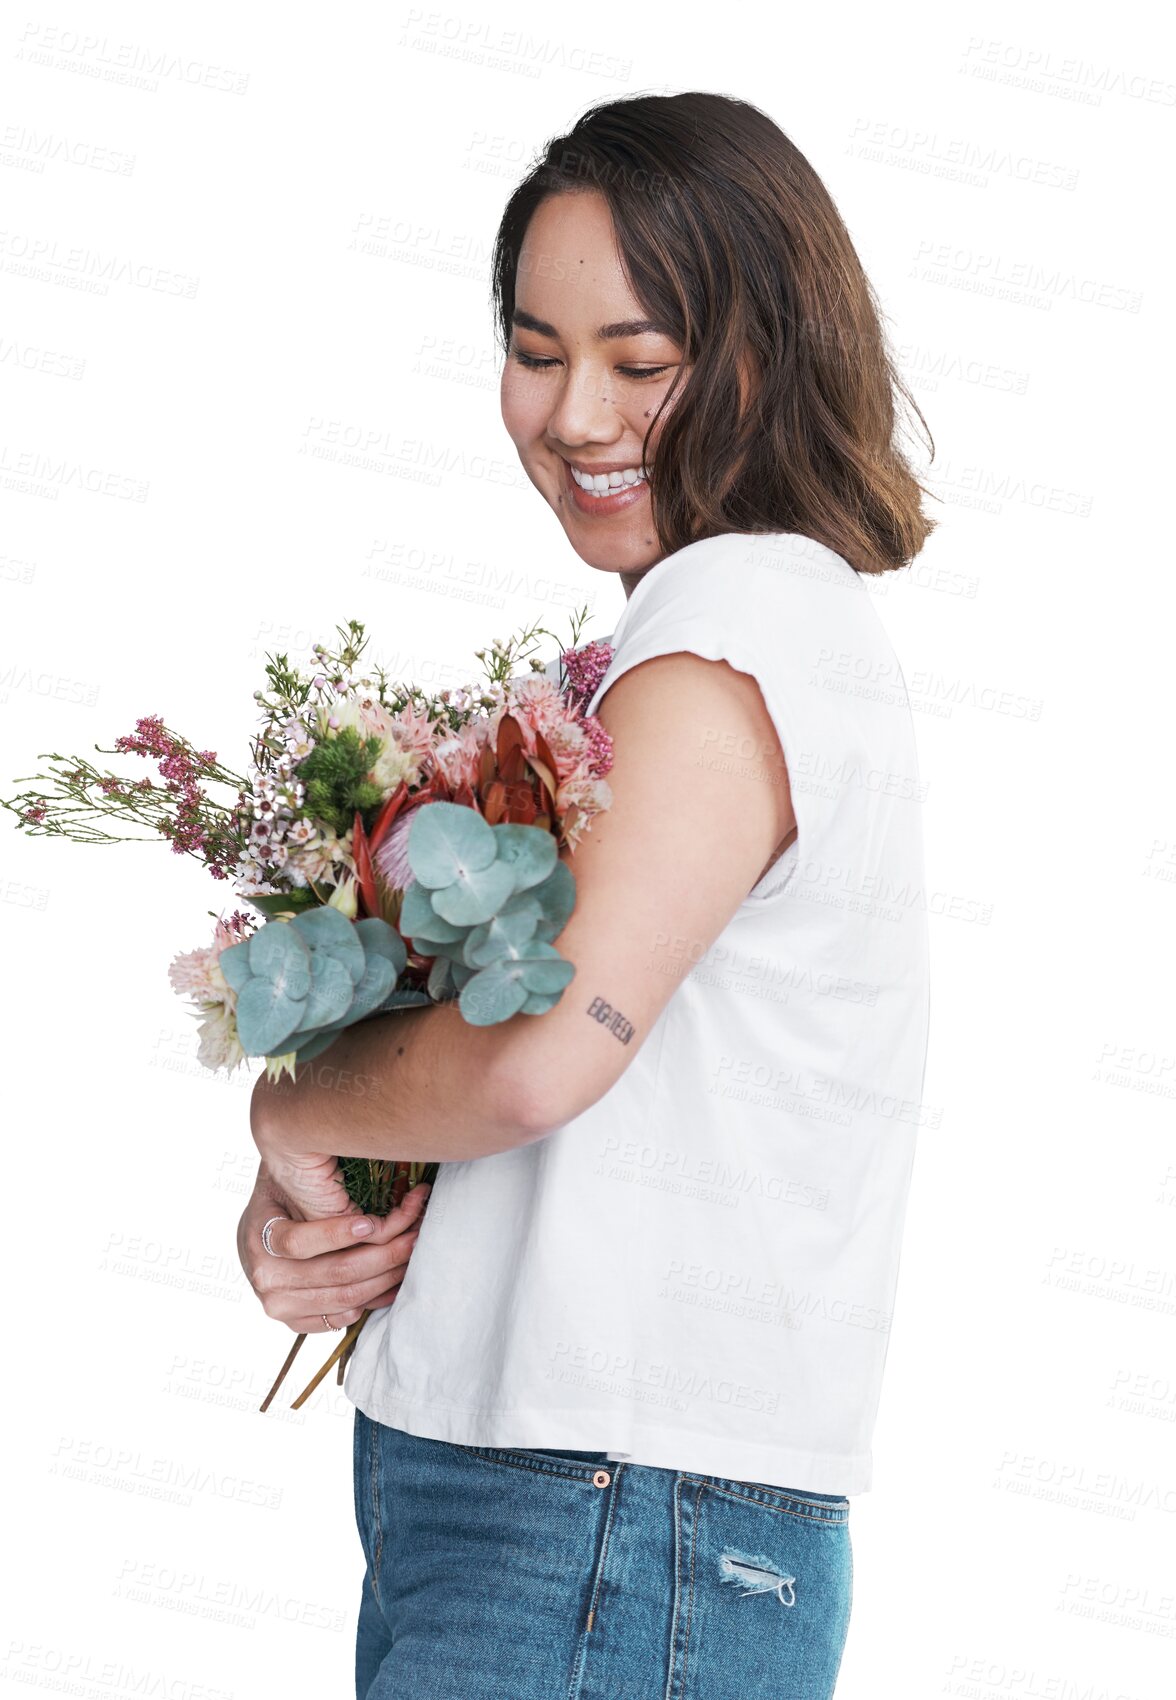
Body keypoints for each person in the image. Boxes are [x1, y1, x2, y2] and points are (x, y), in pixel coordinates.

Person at [238, 90, 935, 1700]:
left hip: (607, 1517)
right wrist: (336, 1211)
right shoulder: (705, 639)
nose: (576, 414)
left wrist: (295, 1118)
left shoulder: (731, 629)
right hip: (558, 1504)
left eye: (641, 358)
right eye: (537, 349)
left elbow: (547, 1056)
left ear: (772, 350)